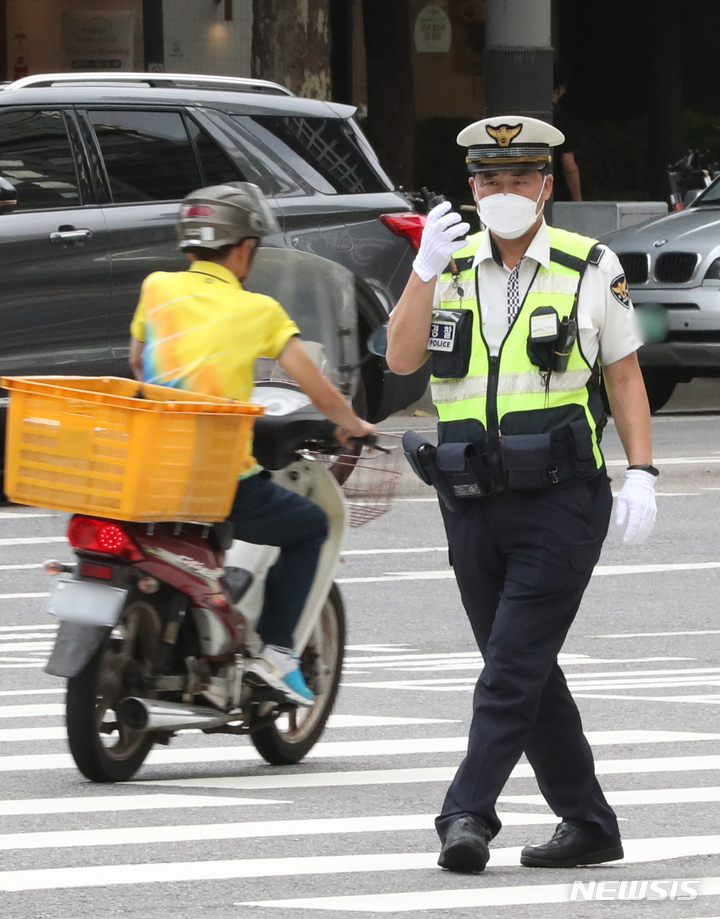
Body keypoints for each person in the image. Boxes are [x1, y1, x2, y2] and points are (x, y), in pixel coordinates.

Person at [386, 116, 657, 873]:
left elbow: (624, 376)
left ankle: (467, 811)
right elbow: (402, 356)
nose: (503, 191)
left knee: (509, 666)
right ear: (470, 188)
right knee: (525, 667)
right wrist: (420, 269)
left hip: (561, 500)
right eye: (488, 179)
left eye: (518, 178)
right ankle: (589, 822)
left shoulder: (588, 265)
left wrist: (642, 469)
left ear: (546, 185)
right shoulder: (451, 264)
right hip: (470, 497)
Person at [130, 182, 374, 707]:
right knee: (311, 527)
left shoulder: (156, 289)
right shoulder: (258, 311)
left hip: (144, 470)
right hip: (213, 480)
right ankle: (278, 653)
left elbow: (137, 362)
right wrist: (353, 423)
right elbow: (316, 386)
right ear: (244, 250)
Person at [553, 63, 582, 202]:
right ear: (561, 90)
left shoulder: (523, 117)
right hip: (557, 196)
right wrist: (578, 201)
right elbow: (569, 166)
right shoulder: (562, 120)